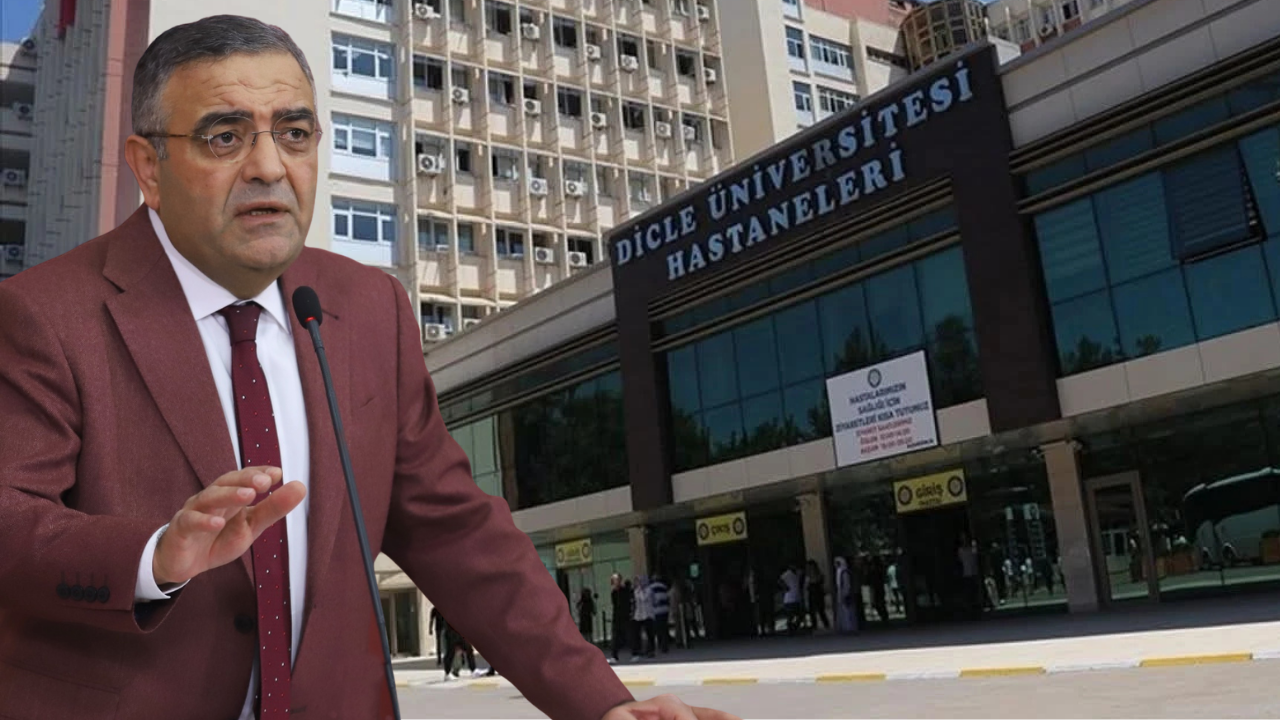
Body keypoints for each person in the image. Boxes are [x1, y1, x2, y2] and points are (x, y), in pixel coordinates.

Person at [0, 16, 737, 720]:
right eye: (224, 137)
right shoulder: (43, 314)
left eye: (294, 134)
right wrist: (155, 557)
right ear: (148, 168)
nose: (269, 167)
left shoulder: (365, 307)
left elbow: (456, 531)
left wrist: (601, 701)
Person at [609, 573, 632, 663]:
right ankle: (614, 656)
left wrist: (629, 612)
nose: (615, 582)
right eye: (614, 580)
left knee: (629, 634)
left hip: (625, 616)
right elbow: (614, 604)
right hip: (616, 616)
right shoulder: (613, 592)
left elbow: (627, 602)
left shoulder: (624, 590)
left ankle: (635, 652)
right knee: (614, 636)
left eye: (617, 580)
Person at [805, 559, 830, 632]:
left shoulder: (819, 575)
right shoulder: (807, 576)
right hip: (811, 594)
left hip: (818, 594)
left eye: (811, 566)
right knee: (812, 611)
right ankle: (814, 626)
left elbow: (821, 583)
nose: (810, 568)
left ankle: (826, 625)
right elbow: (806, 587)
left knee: (821, 610)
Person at [833, 557, 857, 633]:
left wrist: (845, 594)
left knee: (847, 611)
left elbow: (846, 585)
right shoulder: (839, 571)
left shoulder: (844, 572)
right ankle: (845, 626)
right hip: (840, 593)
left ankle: (849, 627)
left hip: (844, 593)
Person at [648, 574, 671, 653]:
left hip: (656, 610)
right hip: (665, 610)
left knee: (657, 629)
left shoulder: (651, 588)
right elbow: (667, 597)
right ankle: (665, 646)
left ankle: (660, 644)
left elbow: (651, 599)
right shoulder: (664, 587)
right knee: (664, 628)